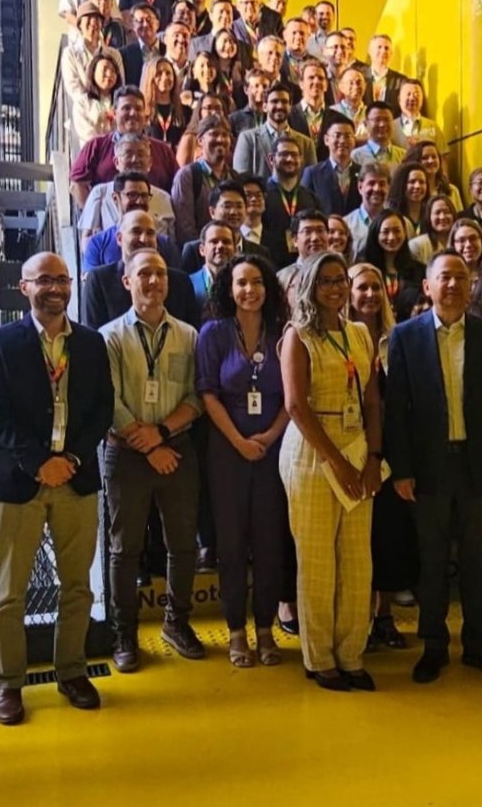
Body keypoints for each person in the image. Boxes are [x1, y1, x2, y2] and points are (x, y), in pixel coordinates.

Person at [0, 250, 113, 725]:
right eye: (44, 280)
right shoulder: (0, 343)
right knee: (9, 592)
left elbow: (101, 409)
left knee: (77, 586)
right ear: (25, 287)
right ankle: (7, 683)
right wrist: (39, 463)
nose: (55, 288)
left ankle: (72, 671)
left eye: (62, 279)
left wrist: (70, 459)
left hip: (76, 479)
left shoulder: (91, 343)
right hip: (20, 481)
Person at [386, 251, 482, 684]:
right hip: (428, 468)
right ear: (427, 286)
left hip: (479, 466)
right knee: (432, 559)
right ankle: (434, 645)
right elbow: (397, 410)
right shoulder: (405, 337)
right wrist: (402, 469)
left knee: (478, 559)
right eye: (444, 277)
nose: (453, 285)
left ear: (472, 285)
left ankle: (480, 644)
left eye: (461, 277)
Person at [278, 252, 384, 691]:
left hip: (357, 446)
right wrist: (336, 463)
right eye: (326, 281)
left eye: (341, 280)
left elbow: (372, 399)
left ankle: (351, 655)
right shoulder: (298, 336)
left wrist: (373, 458)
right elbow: (295, 406)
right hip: (312, 453)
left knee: (358, 561)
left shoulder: (359, 333)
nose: (336, 288)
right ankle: (320, 658)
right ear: (310, 286)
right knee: (318, 561)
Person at [100, 249, 205, 672]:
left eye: (160, 273)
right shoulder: (109, 337)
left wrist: (161, 435)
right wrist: (147, 444)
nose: (154, 280)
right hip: (125, 453)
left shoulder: (189, 335)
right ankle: (124, 633)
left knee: (183, 544)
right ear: (128, 281)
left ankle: (177, 623)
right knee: (125, 548)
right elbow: (109, 400)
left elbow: (196, 396)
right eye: (144, 273)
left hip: (176, 450)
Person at [197, 254, 291, 667]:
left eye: (257, 282)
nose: (250, 290)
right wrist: (238, 441)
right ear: (229, 289)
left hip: (273, 450)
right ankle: (236, 631)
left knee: (270, 542)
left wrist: (268, 437)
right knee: (232, 544)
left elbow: (293, 396)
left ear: (268, 288)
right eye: (241, 283)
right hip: (227, 451)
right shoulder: (213, 333)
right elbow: (208, 394)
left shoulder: (282, 333)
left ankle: (266, 629)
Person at [347, 263, 415, 650]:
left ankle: (384, 617)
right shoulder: (338, 337)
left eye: (375, 287)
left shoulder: (398, 338)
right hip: (347, 448)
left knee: (387, 537)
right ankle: (355, 619)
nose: (370, 294)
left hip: (389, 449)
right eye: (361, 287)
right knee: (354, 542)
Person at [84, 210, 200, 329]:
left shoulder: (180, 282)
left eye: (150, 233)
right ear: (119, 239)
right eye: (136, 232)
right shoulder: (99, 281)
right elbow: (93, 333)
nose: (144, 239)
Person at [69, 87, 177, 205]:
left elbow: (177, 185)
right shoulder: (96, 146)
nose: (133, 113)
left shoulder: (163, 151)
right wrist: (95, 212)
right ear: (114, 113)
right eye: (126, 108)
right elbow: (76, 184)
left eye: (138, 109)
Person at [79, 167, 179, 272]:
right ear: (115, 198)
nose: (139, 201)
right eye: (132, 195)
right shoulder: (97, 244)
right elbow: (91, 280)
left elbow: (176, 279)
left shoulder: (166, 245)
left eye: (144, 196)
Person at [170, 115, 236, 245]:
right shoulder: (187, 176)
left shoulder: (235, 177)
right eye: (214, 134)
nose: (220, 139)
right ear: (200, 140)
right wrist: (203, 251)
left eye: (225, 135)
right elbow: (185, 227)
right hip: (199, 252)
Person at [260, 134, 323, 266]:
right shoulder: (261, 195)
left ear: (301, 159)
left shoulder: (311, 198)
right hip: (269, 265)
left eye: (294, 155)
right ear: (271, 159)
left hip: (305, 267)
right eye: (284, 154)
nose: (290, 159)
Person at [233, 85, 316, 178]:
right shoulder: (247, 139)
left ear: (290, 107)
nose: (280, 106)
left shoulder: (307, 144)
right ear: (265, 106)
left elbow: (311, 180)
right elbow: (240, 178)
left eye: (284, 102)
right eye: (274, 101)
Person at [358, 209, 423, 322]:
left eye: (397, 231)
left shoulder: (420, 270)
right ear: (376, 234)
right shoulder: (363, 270)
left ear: (405, 233)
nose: (391, 237)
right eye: (385, 232)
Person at [61, 2, 124, 108]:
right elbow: (74, 88)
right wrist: (95, 109)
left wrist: (113, 110)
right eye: (88, 18)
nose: (93, 22)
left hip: (112, 111)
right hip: (84, 111)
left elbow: (120, 85)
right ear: (80, 24)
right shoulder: (70, 54)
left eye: (97, 18)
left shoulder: (114, 54)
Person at [301, 117, 362, 216]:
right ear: (326, 140)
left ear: (354, 141)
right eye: (337, 135)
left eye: (347, 136)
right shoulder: (312, 173)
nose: (342, 141)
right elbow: (304, 209)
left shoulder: (363, 172)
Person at [276, 208, 331, 292]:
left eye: (320, 230)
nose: (315, 238)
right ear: (294, 240)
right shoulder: (283, 279)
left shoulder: (340, 271)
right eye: (307, 232)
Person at [72, 52, 120, 145]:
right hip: (94, 151)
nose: (109, 74)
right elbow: (88, 134)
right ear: (93, 72)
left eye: (113, 71)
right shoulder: (82, 103)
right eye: (105, 69)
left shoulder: (120, 102)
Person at [288, 60, 333, 157]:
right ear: (301, 84)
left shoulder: (337, 118)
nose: (316, 81)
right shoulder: (288, 116)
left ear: (326, 85)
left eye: (321, 78)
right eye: (311, 77)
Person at [189, 220, 236, 311]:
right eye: (214, 241)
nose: (220, 246)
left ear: (235, 249)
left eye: (226, 242)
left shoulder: (242, 283)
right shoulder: (188, 283)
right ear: (202, 250)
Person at [403, 140, 462, 211]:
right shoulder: (411, 191)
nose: (431, 161)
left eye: (434, 157)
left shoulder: (452, 190)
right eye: (425, 158)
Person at [174, 93, 228, 170]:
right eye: (208, 108)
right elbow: (180, 170)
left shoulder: (227, 138)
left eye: (218, 108)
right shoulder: (190, 139)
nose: (214, 112)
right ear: (199, 111)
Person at [345, 162, 390, 251]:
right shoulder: (347, 225)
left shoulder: (400, 224)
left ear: (388, 188)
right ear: (360, 187)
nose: (377, 189)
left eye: (382, 184)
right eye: (371, 183)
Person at [118, 3, 165, 88]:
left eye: (149, 20)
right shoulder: (123, 54)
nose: (145, 24)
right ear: (133, 26)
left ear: (157, 24)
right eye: (140, 21)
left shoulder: (168, 51)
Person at [350, 102, 406, 172]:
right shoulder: (356, 156)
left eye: (387, 120)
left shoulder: (403, 155)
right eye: (377, 120)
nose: (382, 124)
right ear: (366, 124)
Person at [141, 57, 184, 145]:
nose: (164, 77)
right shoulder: (142, 112)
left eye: (168, 73)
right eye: (159, 73)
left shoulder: (185, 111)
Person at [393, 81, 445, 153]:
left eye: (416, 94)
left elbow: (443, 156)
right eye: (408, 94)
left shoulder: (433, 127)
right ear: (399, 99)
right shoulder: (390, 127)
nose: (412, 98)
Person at [408, 195, 457, 265]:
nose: (442, 217)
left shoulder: (461, 242)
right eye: (437, 213)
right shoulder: (416, 245)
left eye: (447, 212)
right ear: (429, 217)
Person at [386, 161, 430, 237]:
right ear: (401, 185)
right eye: (412, 182)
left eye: (422, 182)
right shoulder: (391, 215)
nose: (417, 186)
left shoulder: (430, 214)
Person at [364, 34, 406, 114]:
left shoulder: (401, 81)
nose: (383, 51)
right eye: (379, 47)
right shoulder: (360, 77)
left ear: (391, 53)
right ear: (370, 51)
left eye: (386, 48)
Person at [331, 67, 369, 141]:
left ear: (365, 86)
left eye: (359, 82)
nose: (355, 86)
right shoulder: (332, 112)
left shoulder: (371, 113)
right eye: (351, 83)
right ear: (340, 86)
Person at [229, 69, 270, 136]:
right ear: (246, 89)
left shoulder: (272, 117)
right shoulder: (234, 119)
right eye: (256, 86)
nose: (261, 90)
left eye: (265, 86)